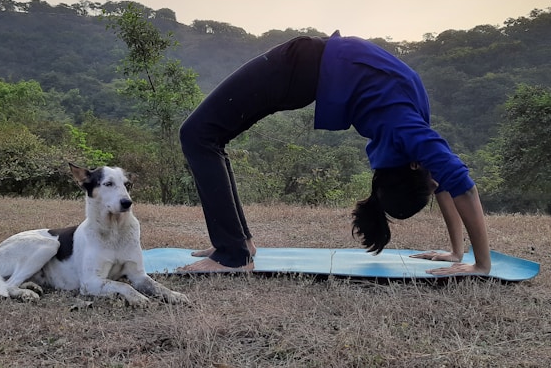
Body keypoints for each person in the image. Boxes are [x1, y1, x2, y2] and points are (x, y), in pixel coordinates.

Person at [178, 31, 491, 275]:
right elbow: (447, 181)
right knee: (208, 136)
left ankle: (233, 255)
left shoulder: (406, 132)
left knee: (197, 134)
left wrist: (476, 262)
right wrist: (460, 254)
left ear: (413, 172)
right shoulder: (411, 139)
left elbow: (454, 182)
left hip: (301, 66)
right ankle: (239, 244)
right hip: (309, 69)